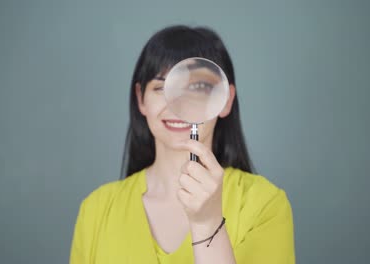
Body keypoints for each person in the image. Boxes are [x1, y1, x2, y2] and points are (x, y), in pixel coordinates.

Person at [69, 25, 295, 264]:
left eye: (197, 87)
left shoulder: (265, 204)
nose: (177, 104)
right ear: (140, 99)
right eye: (160, 88)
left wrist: (207, 223)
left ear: (225, 100)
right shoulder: (96, 210)